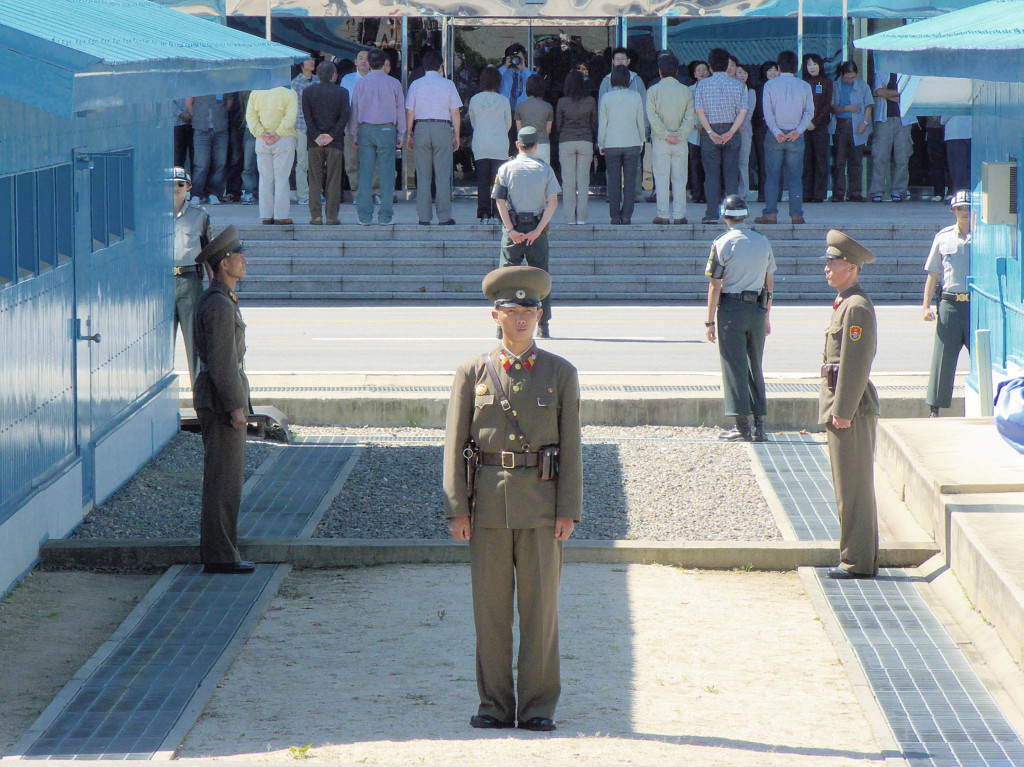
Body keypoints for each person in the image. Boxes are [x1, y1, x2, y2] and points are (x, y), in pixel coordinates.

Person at [442, 265, 582, 733]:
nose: (523, 318)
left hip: (542, 508)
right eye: (513, 310)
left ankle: (538, 707)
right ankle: (494, 705)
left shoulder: (560, 373)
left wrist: (569, 509)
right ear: (494, 315)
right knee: (491, 611)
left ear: (540, 315)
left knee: (541, 611)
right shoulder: (472, 372)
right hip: (487, 508)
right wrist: (457, 508)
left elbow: (572, 445)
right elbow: (454, 443)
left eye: (531, 309)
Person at [192, 225, 254, 575]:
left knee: (227, 479)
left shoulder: (222, 299)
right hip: (219, 402)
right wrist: (236, 406)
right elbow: (222, 361)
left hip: (219, 398)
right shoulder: (218, 305)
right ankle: (219, 555)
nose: (244, 260)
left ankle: (224, 551)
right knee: (222, 480)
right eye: (237, 256)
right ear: (223, 264)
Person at [820, 229, 879, 580]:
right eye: (827, 262)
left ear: (852, 268)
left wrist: (842, 410)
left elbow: (856, 363)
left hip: (851, 410)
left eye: (833, 263)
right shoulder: (846, 302)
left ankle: (856, 560)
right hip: (843, 407)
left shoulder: (855, 307)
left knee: (854, 488)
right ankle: (858, 557)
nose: (827, 268)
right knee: (849, 488)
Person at [704, 194, 775, 442]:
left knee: (734, 366)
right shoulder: (763, 241)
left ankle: (741, 426)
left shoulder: (722, 243)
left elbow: (715, 285)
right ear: (745, 215)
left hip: (732, 309)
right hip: (756, 308)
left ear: (725, 215)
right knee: (755, 364)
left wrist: (709, 321)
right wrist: (766, 314)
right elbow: (770, 283)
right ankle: (760, 426)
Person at [493, 127, 560, 338]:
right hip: (536, 228)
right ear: (536, 146)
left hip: (513, 229)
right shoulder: (545, 169)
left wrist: (511, 230)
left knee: (505, 279)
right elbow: (553, 202)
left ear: (517, 145)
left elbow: (499, 201)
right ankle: (543, 325)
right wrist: (538, 230)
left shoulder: (505, 169)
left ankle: (501, 326)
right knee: (541, 278)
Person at [923, 190, 972, 417]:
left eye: (969, 207)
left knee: (984, 356)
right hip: (950, 304)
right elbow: (933, 274)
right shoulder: (943, 237)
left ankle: (989, 402)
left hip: (976, 305)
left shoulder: (986, 236)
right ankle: (935, 407)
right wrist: (925, 307)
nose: (965, 212)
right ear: (953, 210)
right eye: (960, 208)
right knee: (942, 358)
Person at [755, 50, 813, 225]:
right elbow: (809, 112)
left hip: (775, 135)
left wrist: (776, 131)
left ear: (779, 67)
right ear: (796, 67)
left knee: (772, 175)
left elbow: (768, 112)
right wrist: (799, 130)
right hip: (796, 134)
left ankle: (770, 213)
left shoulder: (770, 85)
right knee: (795, 177)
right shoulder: (804, 86)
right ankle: (796, 214)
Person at [405, 49, 462, 226]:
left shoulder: (415, 84)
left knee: (423, 175)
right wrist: (457, 135)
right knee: (443, 174)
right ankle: (444, 217)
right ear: (440, 66)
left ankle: (424, 217)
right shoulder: (448, 84)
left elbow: (410, 111)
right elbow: (455, 112)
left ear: (423, 66)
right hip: (442, 127)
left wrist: (409, 133)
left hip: (421, 127)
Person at [350, 49, 405, 225]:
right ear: (384, 64)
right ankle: (385, 216)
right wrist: (402, 133)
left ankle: (364, 215)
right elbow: (400, 110)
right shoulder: (394, 83)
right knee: (387, 174)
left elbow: (355, 110)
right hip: (387, 130)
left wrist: (354, 133)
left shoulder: (360, 84)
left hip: (365, 129)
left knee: (365, 173)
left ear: (369, 63)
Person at [694, 48, 748, 225]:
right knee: (731, 174)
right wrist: (731, 132)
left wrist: (709, 132)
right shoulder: (739, 85)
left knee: (711, 175)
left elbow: (699, 111)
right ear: (727, 65)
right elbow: (743, 112)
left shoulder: (702, 85)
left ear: (710, 67)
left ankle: (711, 214)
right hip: (732, 131)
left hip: (711, 132)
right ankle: (733, 214)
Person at [170, 167, 211, 387]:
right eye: (170, 184)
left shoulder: (199, 215)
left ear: (188, 187)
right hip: (162, 281)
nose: (175, 188)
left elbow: (208, 253)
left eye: (179, 184)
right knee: (160, 343)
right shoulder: (152, 214)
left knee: (195, 342)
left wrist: (215, 286)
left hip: (189, 280)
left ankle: (200, 395)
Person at [647, 54, 694, 225]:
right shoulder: (686, 90)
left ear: (660, 71)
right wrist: (680, 135)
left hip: (661, 140)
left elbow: (652, 116)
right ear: (676, 71)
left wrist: (666, 134)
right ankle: (680, 214)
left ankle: (663, 214)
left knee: (661, 177)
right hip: (680, 141)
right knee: (680, 179)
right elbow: (690, 118)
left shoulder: (653, 91)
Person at [303, 61, 350, 226]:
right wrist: (332, 135)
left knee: (314, 178)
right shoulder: (342, 92)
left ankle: (315, 215)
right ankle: (331, 216)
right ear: (333, 75)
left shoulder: (308, 92)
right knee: (334, 178)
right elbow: (344, 117)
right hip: (335, 142)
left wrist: (316, 136)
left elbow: (307, 117)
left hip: (314, 142)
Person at [598, 65, 645, 225]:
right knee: (631, 182)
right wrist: (642, 140)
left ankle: (614, 216)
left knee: (614, 181)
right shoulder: (636, 96)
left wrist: (601, 143)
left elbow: (603, 123)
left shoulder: (606, 97)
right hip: (632, 142)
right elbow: (640, 121)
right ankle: (626, 216)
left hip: (611, 143)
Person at [246, 85, 298, 225]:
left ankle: (266, 215)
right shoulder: (289, 92)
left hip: (263, 139)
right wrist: (278, 134)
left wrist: (261, 133)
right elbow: (291, 116)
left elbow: (250, 116)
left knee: (265, 178)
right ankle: (281, 215)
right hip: (284, 138)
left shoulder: (256, 91)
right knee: (281, 177)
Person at [469, 66, 513, 224]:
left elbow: (473, 122)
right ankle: (497, 213)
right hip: (499, 144)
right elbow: (508, 124)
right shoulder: (503, 100)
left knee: (483, 181)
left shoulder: (474, 99)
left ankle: (483, 213)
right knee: (498, 181)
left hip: (480, 143)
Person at [555, 70, 597, 225]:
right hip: (585, 140)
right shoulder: (591, 101)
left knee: (568, 182)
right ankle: (581, 217)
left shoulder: (562, 102)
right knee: (583, 181)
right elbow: (594, 124)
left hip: (566, 140)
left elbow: (558, 125)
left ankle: (569, 218)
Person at [828, 61, 873, 203]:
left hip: (857, 125)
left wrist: (865, 122)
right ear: (841, 75)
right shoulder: (835, 85)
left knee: (856, 160)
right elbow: (832, 107)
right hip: (840, 125)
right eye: (847, 77)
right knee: (839, 161)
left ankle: (855, 192)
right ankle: (838, 192)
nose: (850, 80)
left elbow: (868, 105)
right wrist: (847, 108)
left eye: (852, 77)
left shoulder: (862, 85)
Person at [869, 70, 914, 203]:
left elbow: (910, 95)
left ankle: (898, 191)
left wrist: (887, 93)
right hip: (884, 118)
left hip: (904, 119)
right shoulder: (881, 71)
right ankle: (877, 191)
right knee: (880, 156)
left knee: (902, 157)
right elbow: (879, 92)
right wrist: (898, 94)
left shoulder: (908, 73)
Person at [188, 93, 232, 204]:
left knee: (220, 163)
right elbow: (188, 102)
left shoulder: (224, 83)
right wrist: (198, 117)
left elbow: (229, 103)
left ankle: (214, 194)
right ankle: (196, 194)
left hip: (220, 129)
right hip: (201, 129)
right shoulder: (197, 82)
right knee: (201, 163)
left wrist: (220, 117)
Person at [801, 54, 833, 204]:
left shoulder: (827, 82)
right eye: (809, 64)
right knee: (806, 160)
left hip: (820, 125)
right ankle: (806, 192)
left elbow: (827, 105)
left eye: (814, 64)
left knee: (821, 159)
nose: (812, 67)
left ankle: (819, 194)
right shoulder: (802, 83)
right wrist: (807, 122)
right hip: (804, 126)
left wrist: (816, 121)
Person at [341, 50, 371, 200]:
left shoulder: (376, 78)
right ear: (355, 62)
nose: (363, 61)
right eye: (360, 58)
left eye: (366, 58)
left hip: (371, 123)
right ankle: (357, 193)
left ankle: (374, 192)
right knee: (352, 160)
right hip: (351, 122)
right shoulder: (347, 79)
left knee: (372, 160)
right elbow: (343, 101)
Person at [291, 54, 320, 206]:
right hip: (302, 126)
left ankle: (317, 193)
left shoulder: (318, 80)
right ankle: (303, 193)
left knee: (317, 162)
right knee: (302, 162)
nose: (312, 62)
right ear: (301, 63)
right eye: (309, 60)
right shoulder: (295, 83)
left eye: (314, 60)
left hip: (318, 128)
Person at [751, 61, 779, 203]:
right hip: (762, 128)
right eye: (769, 70)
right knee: (763, 162)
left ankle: (777, 194)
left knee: (778, 162)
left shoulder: (782, 87)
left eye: (775, 70)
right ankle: (763, 193)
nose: (772, 73)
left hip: (779, 128)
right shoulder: (758, 89)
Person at [514, 75, 554, 165]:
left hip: (525, 145)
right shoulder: (548, 106)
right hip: (543, 144)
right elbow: (548, 130)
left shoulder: (519, 106)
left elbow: (519, 130)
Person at [686, 60, 710, 205]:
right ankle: (696, 193)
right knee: (695, 165)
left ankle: (708, 194)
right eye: (698, 70)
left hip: (710, 131)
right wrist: (696, 123)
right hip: (693, 133)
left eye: (704, 69)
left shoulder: (713, 89)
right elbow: (687, 110)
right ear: (694, 74)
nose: (701, 72)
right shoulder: (689, 90)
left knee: (709, 164)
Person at [735, 64, 756, 202]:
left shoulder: (750, 92)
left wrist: (739, 125)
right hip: (729, 130)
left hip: (744, 130)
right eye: (740, 72)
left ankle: (743, 192)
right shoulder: (731, 89)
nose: (742, 75)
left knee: (743, 161)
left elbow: (749, 112)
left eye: (745, 73)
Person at [942, 115, 971, 196]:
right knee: (969, 166)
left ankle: (959, 195)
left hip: (954, 132)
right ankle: (968, 193)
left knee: (957, 167)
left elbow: (946, 112)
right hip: (972, 130)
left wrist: (942, 120)